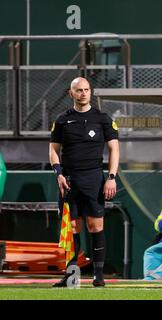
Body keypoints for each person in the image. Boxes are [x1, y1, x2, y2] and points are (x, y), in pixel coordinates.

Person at [49, 77, 120, 287]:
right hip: (69, 180)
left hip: (94, 178)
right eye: (79, 90)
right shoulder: (62, 120)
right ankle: (72, 276)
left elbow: (114, 149)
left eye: (87, 89)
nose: (83, 93)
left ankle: (98, 276)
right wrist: (59, 174)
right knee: (71, 228)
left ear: (91, 92)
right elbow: (53, 150)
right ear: (71, 93)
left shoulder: (103, 119)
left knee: (95, 226)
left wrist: (112, 177)